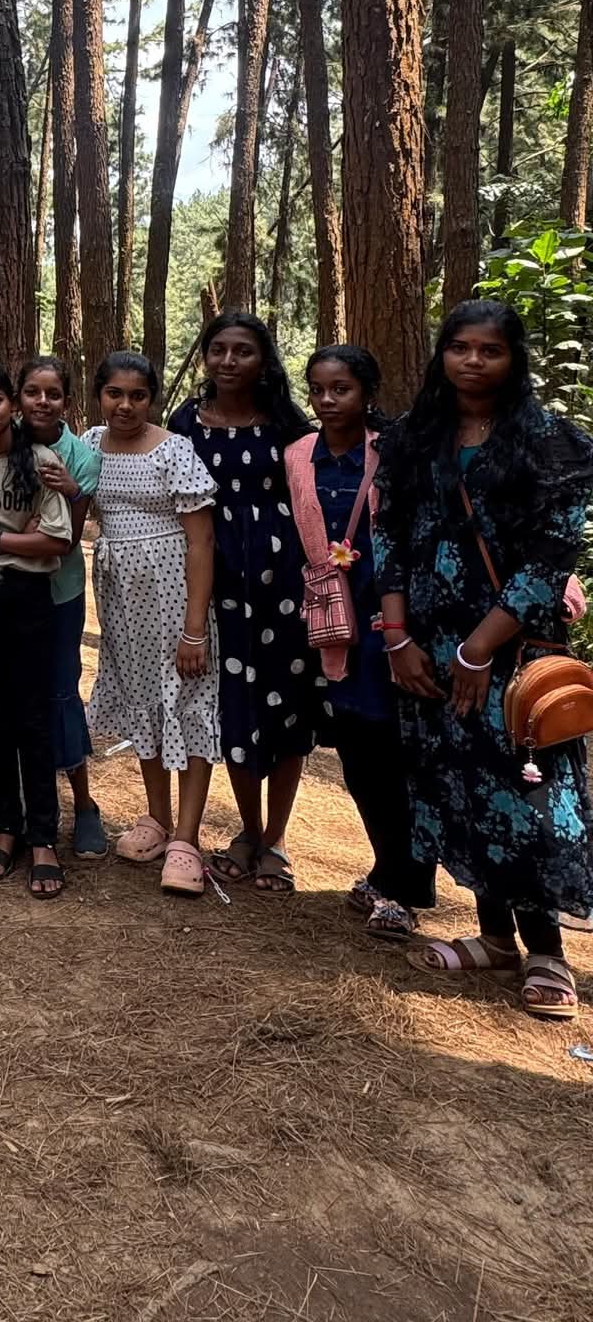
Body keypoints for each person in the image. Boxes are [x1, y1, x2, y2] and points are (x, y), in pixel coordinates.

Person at [376, 301, 593, 1019]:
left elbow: (551, 558)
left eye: (490, 350)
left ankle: (547, 952)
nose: (473, 361)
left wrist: (479, 648)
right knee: (456, 785)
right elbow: (389, 536)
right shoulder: (413, 438)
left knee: (526, 794)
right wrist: (398, 637)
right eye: (460, 347)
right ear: (442, 354)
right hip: (426, 649)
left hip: (511, 651)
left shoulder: (552, 444)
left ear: (513, 358)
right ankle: (496, 938)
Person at [285, 345, 433, 942]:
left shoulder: (394, 451)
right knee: (358, 757)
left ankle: (405, 888)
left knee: (397, 758)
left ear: (368, 393)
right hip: (332, 629)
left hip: (391, 626)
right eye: (318, 389)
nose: (327, 400)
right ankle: (386, 868)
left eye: (341, 389)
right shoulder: (300, 455)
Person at [169, 311, 315, 895]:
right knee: (234, 709)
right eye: (218, 349)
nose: (228, 361)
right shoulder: (186, 422)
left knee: (285, 709)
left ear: (263, 360)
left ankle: (275, 840)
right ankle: (247, 831)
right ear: (206, 356)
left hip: (283, 587)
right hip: (216, 585)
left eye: (243, 351)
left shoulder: (286, 422)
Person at [0, 356, 105, 859]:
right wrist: (18, 543)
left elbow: (57, 541)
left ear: (10, 404)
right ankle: (6, 826)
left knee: (36, 714)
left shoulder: (42, 461)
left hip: (35, 599)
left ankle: (43, 836)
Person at [85, 353, 221, 897]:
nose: (125, 405)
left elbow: (201, 540)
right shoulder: (90, 444)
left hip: (173, 594)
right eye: (114, 393)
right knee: (143, 699)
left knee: (188, 701)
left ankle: (187, 838)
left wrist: (195, 628)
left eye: (137, 395)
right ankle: (157, 817)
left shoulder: (173, 450)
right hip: (121, 599)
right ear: (99, 394)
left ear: (152, 399)